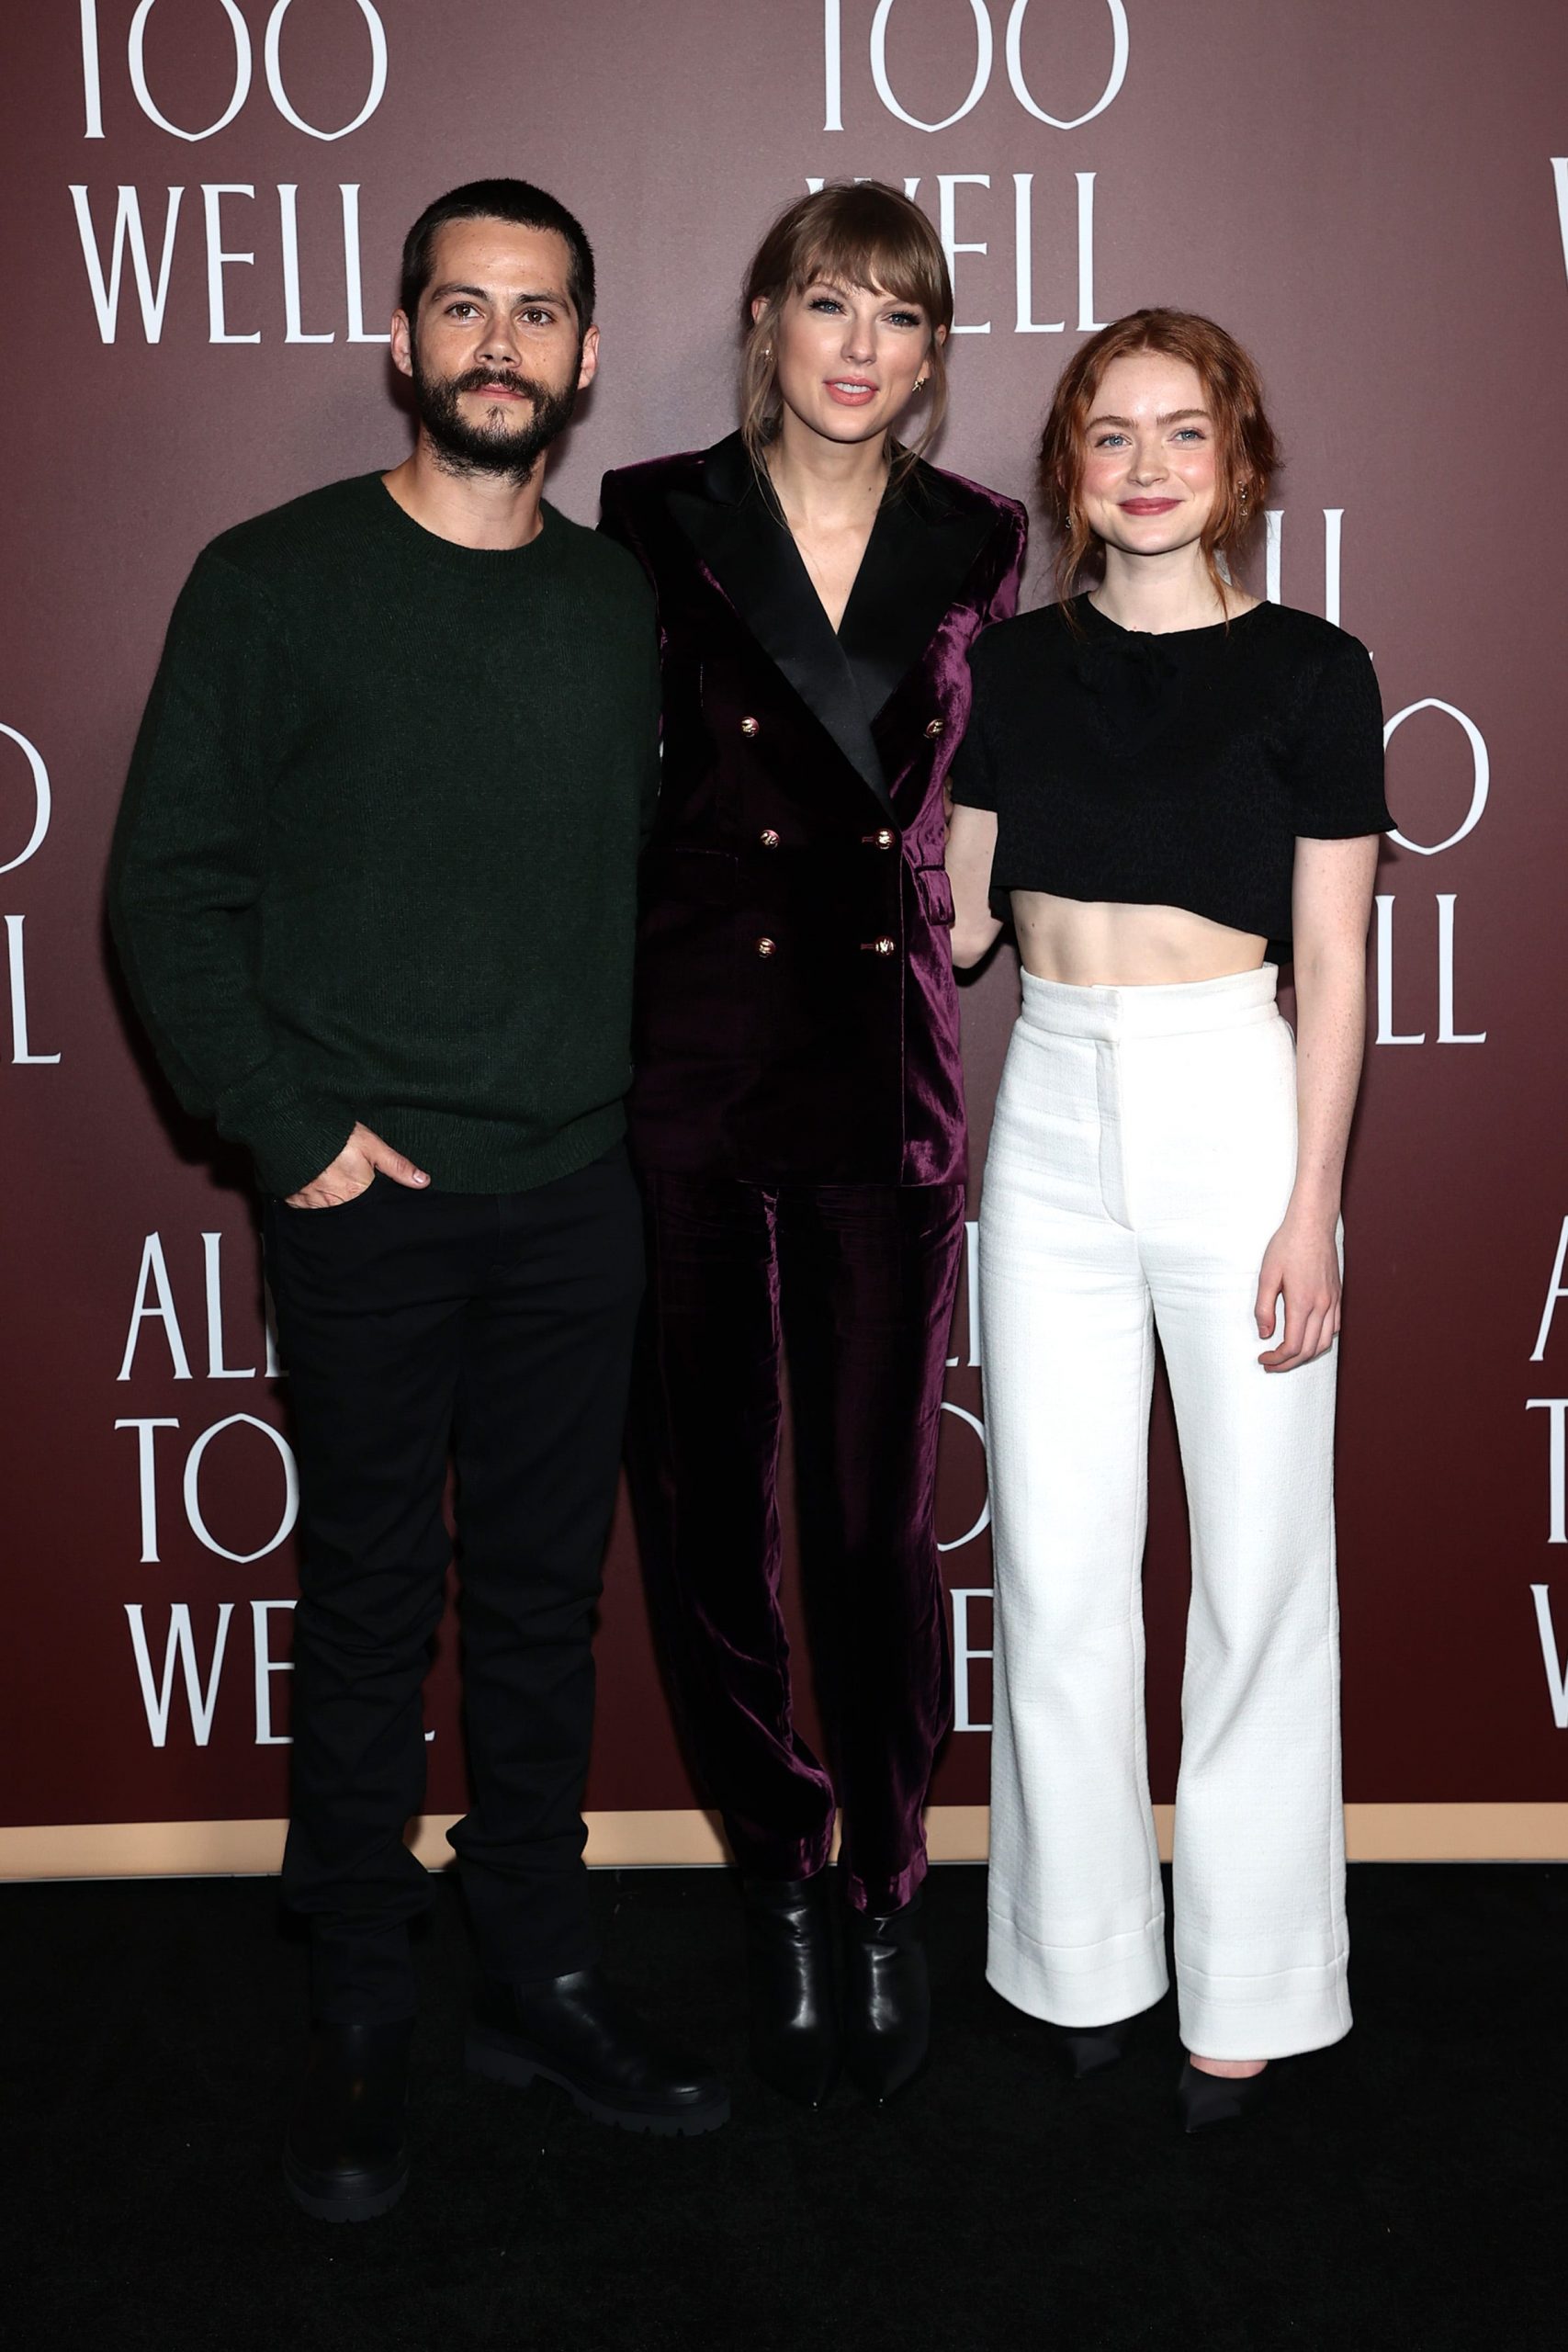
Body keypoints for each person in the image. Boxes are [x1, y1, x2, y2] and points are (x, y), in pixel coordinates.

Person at [109, 177, 728, 2224]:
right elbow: (163, 891)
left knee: (545, 1611)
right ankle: (364, 2000)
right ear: (400, 339)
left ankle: (532, 1969)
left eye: (535, 312)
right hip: (362, 1194)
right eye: (460, 306)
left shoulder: (614, 603)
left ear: (579, 357)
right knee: (373, 1604)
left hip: (575, 1196)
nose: (496, 343)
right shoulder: (268, 579)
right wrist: (285, 1128)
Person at [600, 182, 1027, 2107]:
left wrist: (992, 903)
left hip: (880, 1071)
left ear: (932, 357)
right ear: (765, 317)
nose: (861, 345)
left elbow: (1010, 780)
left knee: (867, 1519)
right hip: (687, 1066)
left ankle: (880, 1884)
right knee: (703, 1512)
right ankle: (774, 1870)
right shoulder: (653, 518)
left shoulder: (982, 541)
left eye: (901, 317)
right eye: (829, 303)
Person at [946, 310, 1389, 2130]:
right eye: (1107, 435)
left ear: (1237, 462)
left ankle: (1253, 1978)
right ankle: (1077, 1955)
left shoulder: (1311, 668)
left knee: (1258, 1569)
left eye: (1179, 433)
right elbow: (950, 924)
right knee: (1053, 1564)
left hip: (1231, 1104)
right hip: (1045, 1108)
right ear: (1066, 468)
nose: (1142, 466)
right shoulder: (1009, 669)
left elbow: (1339, 956)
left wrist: (1310, 1200)